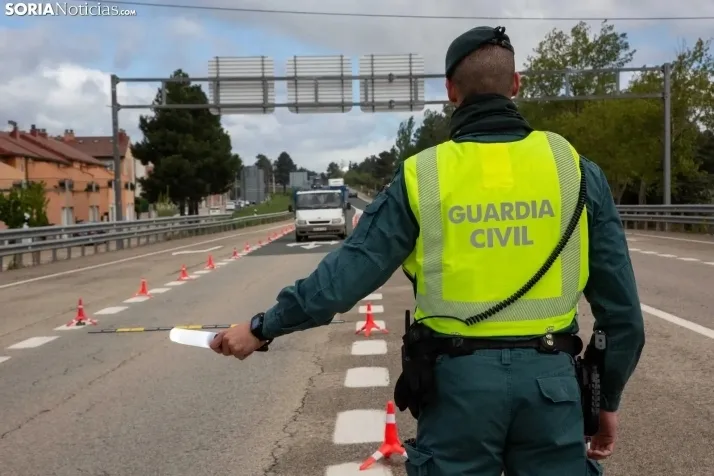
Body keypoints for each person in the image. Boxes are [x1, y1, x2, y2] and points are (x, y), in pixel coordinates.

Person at [209, 25, 645, 476]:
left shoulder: (424, 175)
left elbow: (342, 279)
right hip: (551, 390)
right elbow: (624, 317)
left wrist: (263, 327)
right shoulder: (575, 170)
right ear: (515, 85)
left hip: (458, 391)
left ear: (451, 91)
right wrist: (605, 400)